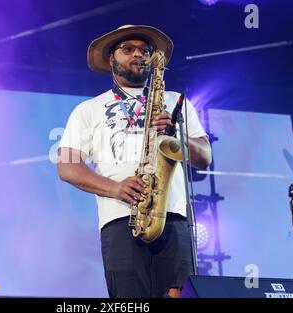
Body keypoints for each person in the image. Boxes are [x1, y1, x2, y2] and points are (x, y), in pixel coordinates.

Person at [57, 25, 212, 298]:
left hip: (173, 218)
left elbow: (205, 157)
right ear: (111, 59)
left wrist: (178, 137)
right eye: (128, 49)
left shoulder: (176, 101)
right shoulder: (87, 110)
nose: (138, 54)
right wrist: (115, 188)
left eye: (145, 50)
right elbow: (67, 166)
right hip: (120, 220)